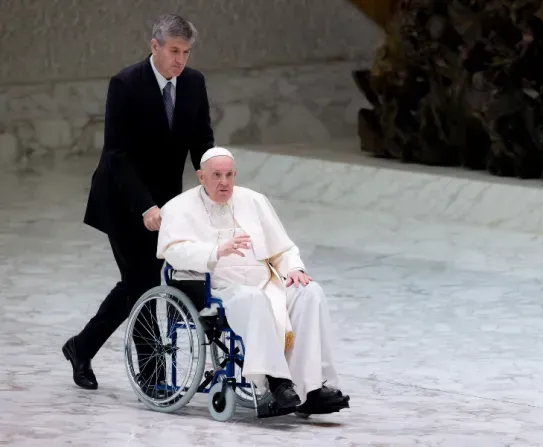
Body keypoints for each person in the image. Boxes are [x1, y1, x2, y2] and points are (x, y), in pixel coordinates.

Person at [62, 14, 215, 390]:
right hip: (122, 200)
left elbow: (202, 143)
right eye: (174, 51)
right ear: (155, 47)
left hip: (166, 204)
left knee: (136, 286)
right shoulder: (126, 84)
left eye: (186, 52)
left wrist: (214, 185)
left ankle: (80, 347)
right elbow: (117, 154)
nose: (180, 60)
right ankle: (153, 378)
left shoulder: (194, 83)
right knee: (144, 284)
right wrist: (145, 205)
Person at [156, 147, 351, 415]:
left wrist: (293, 268)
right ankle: (276, 383)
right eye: (216, 175)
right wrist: (215, 251)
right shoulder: (179, 207)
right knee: (252, 298)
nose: (224, 182)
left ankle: (312, 389)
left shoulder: (254, 201)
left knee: (309, 291)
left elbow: (282, 249)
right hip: (219, 289)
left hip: (266, 282)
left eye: (228, 175)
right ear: (201, 177)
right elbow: (173, 252)